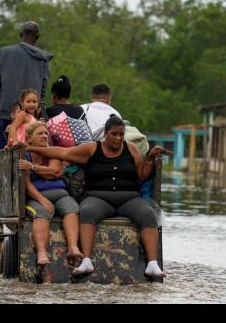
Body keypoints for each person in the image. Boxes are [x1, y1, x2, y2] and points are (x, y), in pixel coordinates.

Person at [23, 115, 169, 278]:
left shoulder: (132, 149)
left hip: (129, 197)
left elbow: (143, 175)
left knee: (148, 214)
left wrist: (149, 158)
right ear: (106, 134)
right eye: (114, 134)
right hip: (98, 197)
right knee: (87, 211)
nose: (118, 138)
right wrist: (30, 149)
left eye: (121, 134)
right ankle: (86, 260)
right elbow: (62, 152)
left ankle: (152, 264)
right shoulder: (92, 148)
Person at [0, 20, 54, 161]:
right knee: (25, 157)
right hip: (29, 120)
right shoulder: (43, 59)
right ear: (37, 37)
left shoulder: (3, 53)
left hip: (2, 113)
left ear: (20, 35)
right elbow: (42, 90)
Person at [19, 121, 83, 266]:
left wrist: (33, 167)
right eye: (40, 133)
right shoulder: (25, 154)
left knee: (72, 208)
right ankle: (42, 252)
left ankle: (73, 247)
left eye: (46, 133)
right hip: (36, 196)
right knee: (42, 212)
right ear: (29, 138)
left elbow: (54, 172)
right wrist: (42, 199)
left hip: (60, 193)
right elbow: (26, 183)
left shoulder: (53, 151)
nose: (44, 136)